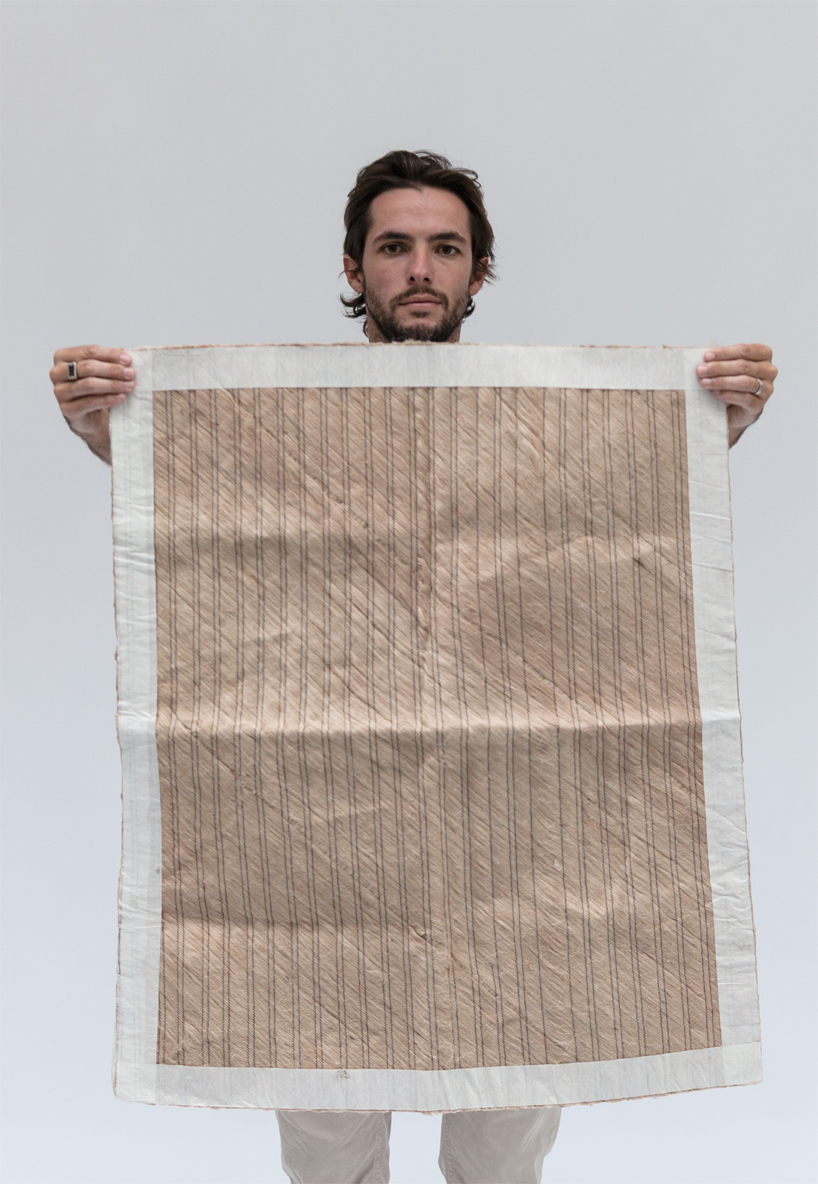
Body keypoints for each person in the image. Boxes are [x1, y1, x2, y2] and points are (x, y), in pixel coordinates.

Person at [49, 151, 778, 1184]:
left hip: (516, 833)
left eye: (446, 247)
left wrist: (708, 429)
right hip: (320, 830)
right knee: (325, 1129)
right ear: (355, 267)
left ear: (479, 270)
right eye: (395, 247)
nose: (421, 269)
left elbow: (613, 515)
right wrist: (106, 428)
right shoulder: (278, 424)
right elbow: (207, 503)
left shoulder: (541, 424)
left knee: (508, 1126)